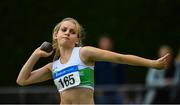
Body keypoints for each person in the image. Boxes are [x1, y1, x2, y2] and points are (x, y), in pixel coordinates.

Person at [16, 17, 169, 104]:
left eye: (72, 32)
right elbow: (22, 80)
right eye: (64, 30)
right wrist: (36, 55)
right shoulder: (53, 66)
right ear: (56, 34)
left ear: (77, 39)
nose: (67, 33)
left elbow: (120, 57)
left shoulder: (84, 53)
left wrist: (152, 63)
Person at [95, 35, 126, 104]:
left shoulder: (116, 58)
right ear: (99, 44)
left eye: (107, 42)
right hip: (102, 92)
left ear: (111, 44)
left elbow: (122, 75)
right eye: (103, 42)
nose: (105, 44)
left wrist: (123, 90)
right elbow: (93, 75)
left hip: (117, 92)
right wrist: (97, 90)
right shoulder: (96, 60)